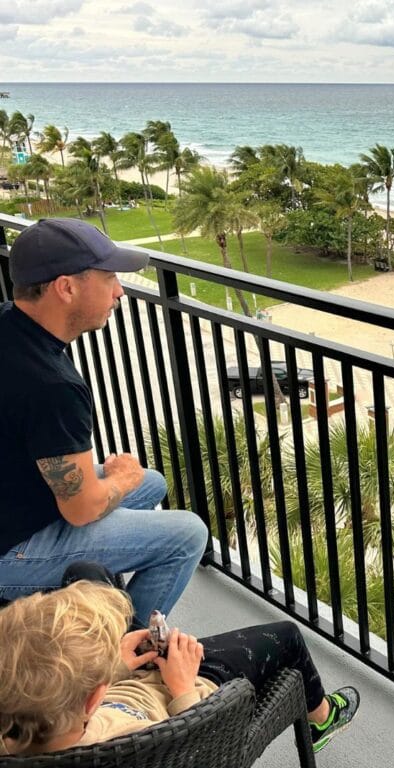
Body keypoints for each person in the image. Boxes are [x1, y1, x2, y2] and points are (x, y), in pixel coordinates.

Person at [0, 218, 208, 622]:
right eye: (110, 277)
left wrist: (125, 480)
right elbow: (80, 509)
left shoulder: (10, 325)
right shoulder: (51, 386)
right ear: (66, 287)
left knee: (154, 483)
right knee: (188, 534)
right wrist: (121, 479)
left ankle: (92, 594)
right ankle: (112, 652)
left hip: (16, 500)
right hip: (12, 551)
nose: (119, 291)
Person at [0, 581, 359, 756]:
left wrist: (113, 665)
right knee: (287, 635)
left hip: (122, 684)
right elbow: (206, 747)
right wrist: (183, 684)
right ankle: (322, 719)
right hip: (185, 693)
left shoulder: (14, 737)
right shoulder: (129, 745)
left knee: (88, 573)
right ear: (95, 696)